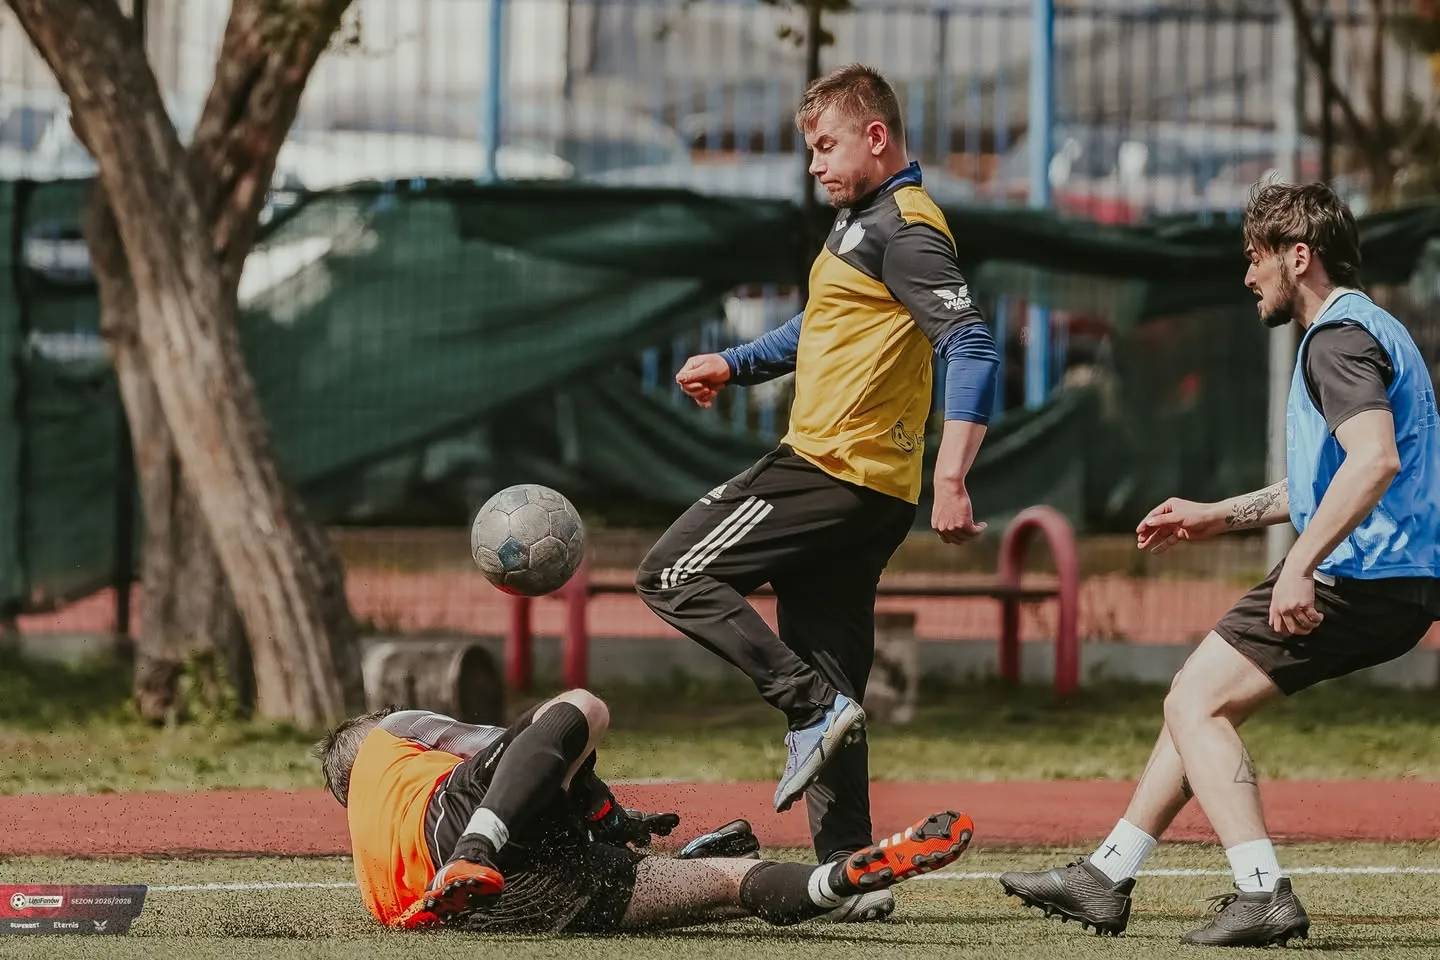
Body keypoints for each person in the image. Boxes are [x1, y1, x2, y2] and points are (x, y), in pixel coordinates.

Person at [998, 180, 1440, 948]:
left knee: (1197, 701)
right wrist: (1218, 515)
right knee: (1192, 699)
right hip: (1387, 574)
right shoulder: (1367, 329)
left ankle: (1262, 891)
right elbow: (1330, 481)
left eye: (1255, 258)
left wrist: (1299, 566)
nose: (1247, 276)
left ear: (1297, 257)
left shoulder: (1335, 339)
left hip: (1361, 576)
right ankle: (1107, 874)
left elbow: (1375, 462)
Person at [634, 63, 1000, 922]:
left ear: (876, 136)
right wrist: (736, 362)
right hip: (870, 494)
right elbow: (825, 324)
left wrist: (952, 475)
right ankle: (850, 872)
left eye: (826, 146)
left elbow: (972, 344)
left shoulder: (904, 228)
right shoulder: (863, 221)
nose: (814, 165)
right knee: (833, 669)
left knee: (671, 574)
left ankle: (806, 705)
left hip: (830, 469)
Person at [314, 688, 976, 934]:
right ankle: (475, 849)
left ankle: (830, 884)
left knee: (724, 886)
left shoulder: (373, 880)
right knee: (581, 707)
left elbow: (542, 791)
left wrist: (608, 825)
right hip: (459, 836)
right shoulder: (385, 738)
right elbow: (522, 747)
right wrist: (602, 804)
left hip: (501, 907)